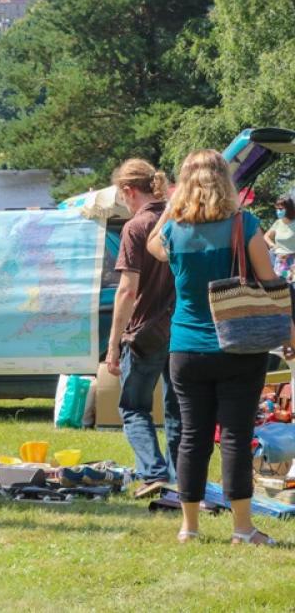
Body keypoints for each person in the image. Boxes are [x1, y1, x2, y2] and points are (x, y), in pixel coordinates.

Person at [148, 149, 295, 545]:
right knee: (235, 435)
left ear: (185, 184)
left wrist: (172, 205)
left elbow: (151, 245)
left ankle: (189, 528)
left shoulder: (174, 232)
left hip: (185, 349)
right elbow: (270, 283)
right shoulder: (243, 225)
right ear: (225, 181)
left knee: (193, 436)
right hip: (240, 348)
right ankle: (242, 528)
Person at [106, 159, 181, 493]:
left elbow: (127, 290)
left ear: (128, 191)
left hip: (145, 332)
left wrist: (112, 346)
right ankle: (181, 479)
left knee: (134, 407)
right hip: (181, 329)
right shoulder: (179, 220)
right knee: (177, 411)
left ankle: (153, 473)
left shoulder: (136, 227)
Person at [264, 196, 295, 279]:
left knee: (293, 284)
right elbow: (266, 236)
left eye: (281, 209)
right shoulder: (278, 223)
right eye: (277, 209)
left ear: (289, 209)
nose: (278, 211)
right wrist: (272, 245)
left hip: (293, 262)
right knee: (283, 287)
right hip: (280, 262)